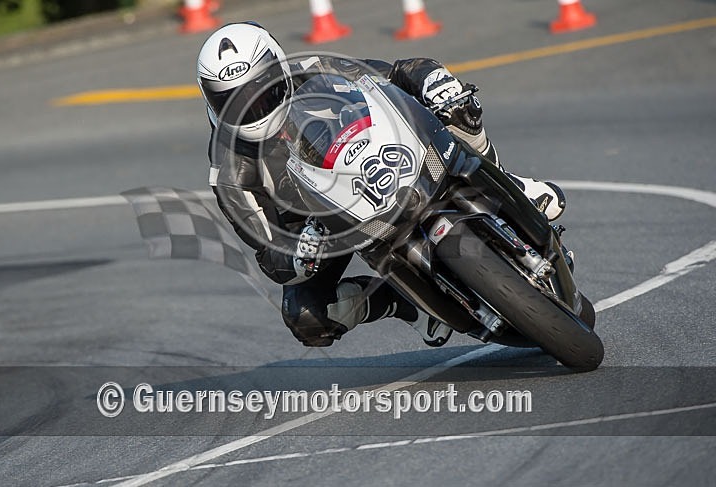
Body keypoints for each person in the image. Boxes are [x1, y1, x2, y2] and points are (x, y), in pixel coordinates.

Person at [197, 22, 567, 348]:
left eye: (261, 93)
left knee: (457, 109)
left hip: (378, 158)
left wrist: (433, 81)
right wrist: (298, 252)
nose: (252, 110)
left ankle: (511, 184)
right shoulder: (229, 172)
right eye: (233, 101)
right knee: (307, 316)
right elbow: (267, 252)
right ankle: (405, 303)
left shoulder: (316, 69)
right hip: (324, 227)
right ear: (211, 102)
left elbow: (395, 74)